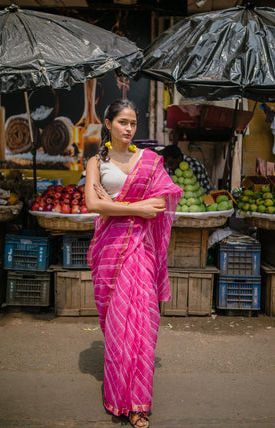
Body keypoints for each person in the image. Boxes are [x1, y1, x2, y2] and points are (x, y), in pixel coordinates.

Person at [85, 99, 182, 428]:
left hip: (141, 250)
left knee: (141, 323)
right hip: (110, 249)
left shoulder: (150, 161)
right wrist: (136, 208)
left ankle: (139, 404)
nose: (129, 128)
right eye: (123, 122)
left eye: (133, 123)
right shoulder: (95, 162)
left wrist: (119, 204)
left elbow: (160, 200)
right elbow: (92, 203)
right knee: (116, 328)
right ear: (109, 123)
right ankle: (117, 396)